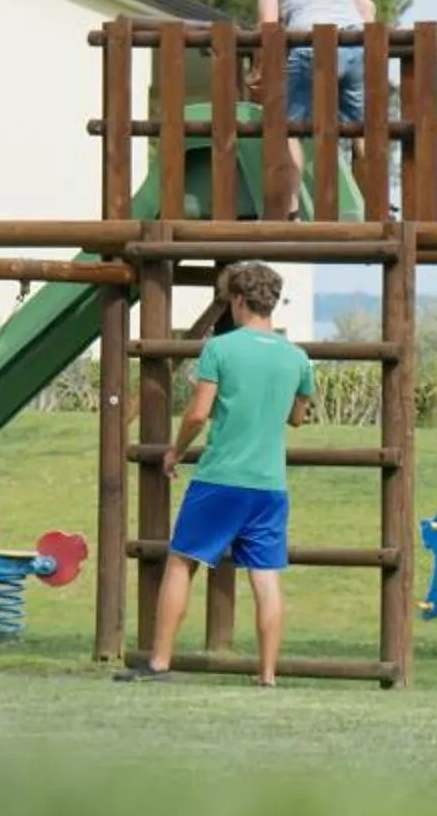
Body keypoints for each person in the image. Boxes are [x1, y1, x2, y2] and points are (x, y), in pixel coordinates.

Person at [118, 262, 316, 687]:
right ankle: (267, 676)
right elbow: (298, 416)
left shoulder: (220, 349)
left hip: (221, 478)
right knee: (265, 577)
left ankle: (159, 663)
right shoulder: (297, 358)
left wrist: (175, 450)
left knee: (180, 563)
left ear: (239, 301)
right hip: (269, 486)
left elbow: (198, 413)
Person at [251, 0, 376, 218]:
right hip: (355, 46)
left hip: (312, 49)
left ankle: (291, 210)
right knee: (362, 130)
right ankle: (378, 206)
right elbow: (368, 8)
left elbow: (267, 25)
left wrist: (259, 69)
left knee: (287, 127)